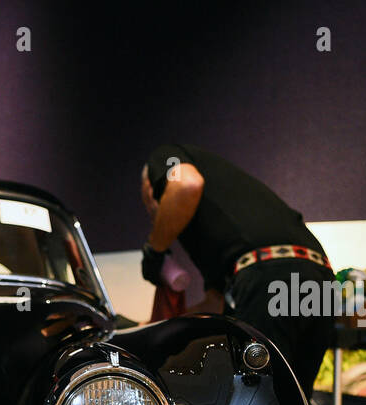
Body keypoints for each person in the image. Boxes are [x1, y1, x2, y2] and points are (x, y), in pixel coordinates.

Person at [139, 144, 335, 392]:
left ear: (150, 187)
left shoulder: (166, 156)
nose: (153, 216)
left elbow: (185, 184)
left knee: (257, 401)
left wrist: (154, 250)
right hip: (319, 282)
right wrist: (159, 328)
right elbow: (213, 304)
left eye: (150, 206)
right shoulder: (218, 227)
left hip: (272, 276)